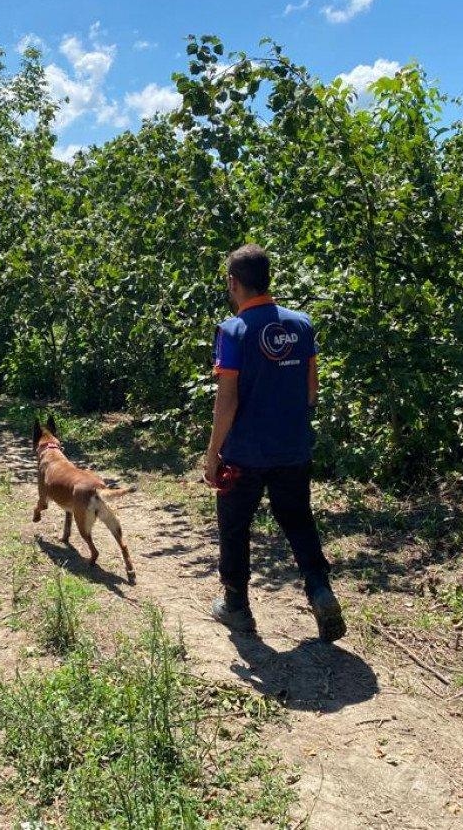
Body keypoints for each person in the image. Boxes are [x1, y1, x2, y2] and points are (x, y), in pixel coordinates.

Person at [202, 243, 346, 642]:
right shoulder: (301, 325)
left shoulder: (232, 331)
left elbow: (226, 400)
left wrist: (213, 454)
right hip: (293, 448)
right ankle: (320, 590)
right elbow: (311, 392)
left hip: (244, 454)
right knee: (298, 520)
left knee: (234, 526)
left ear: (234, 283)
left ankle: (236, 606)